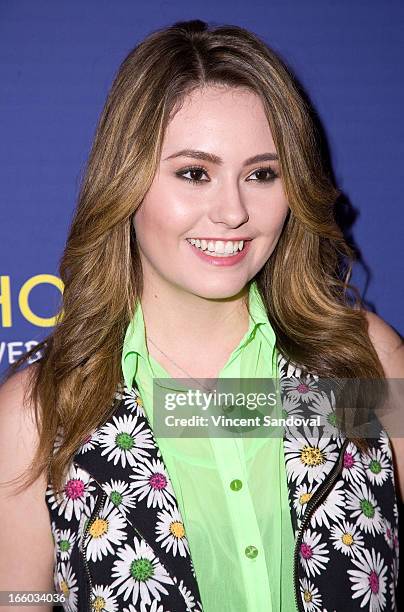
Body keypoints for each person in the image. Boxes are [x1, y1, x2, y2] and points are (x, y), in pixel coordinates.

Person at [0, 18, 403, 612]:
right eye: (194, 173)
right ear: (126, 182)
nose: (234, 212)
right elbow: (20, 599)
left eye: (262, 174)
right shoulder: (40, 414)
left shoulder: (361, 362)